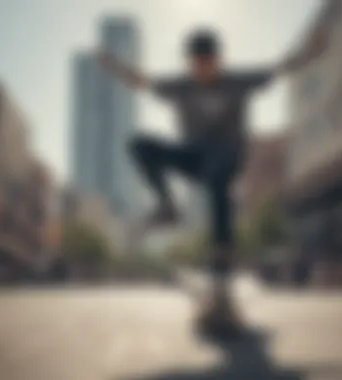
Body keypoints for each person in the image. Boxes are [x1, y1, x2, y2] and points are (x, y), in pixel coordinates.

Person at [96, 29, 317, 330]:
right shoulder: (180, 85)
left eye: (208, 62)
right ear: (190, 63)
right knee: (139, 144)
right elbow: (142, 81)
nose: (202, 69)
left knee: (217, 178)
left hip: (227, 159)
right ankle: (167, 207)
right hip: (193, 156)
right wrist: (114, 65)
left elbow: (280, 68)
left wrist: (310, 51)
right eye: (196, 64)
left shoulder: (238, 81)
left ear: (218, 60)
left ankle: (221, 271)